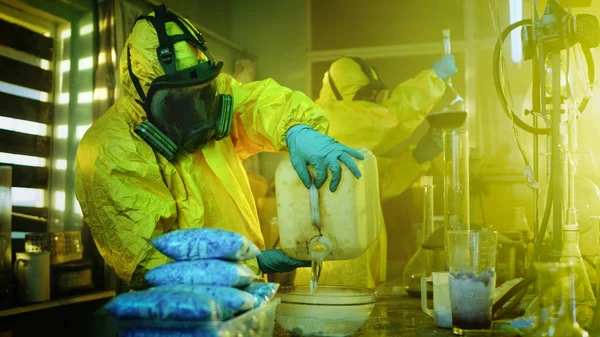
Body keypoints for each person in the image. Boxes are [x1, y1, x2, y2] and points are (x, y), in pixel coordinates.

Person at [74, 5, 363, 289]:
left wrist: (297, 128)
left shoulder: (210, 96)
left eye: (203, 92)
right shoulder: (109, 148)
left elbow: (258, 103)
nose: (197, 112)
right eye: (178, 100)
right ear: (143, 94)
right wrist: (251, 263)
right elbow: (150, 261)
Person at [294, 55, 457, 288]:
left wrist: (416, 157)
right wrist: (432, 80)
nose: (370, 103)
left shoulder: (351, 142)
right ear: (339, 93)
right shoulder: (325, 121)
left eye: (372, 95)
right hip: (330, 266)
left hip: (359, 263)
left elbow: (379, 184)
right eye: (362, 95)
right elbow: (391, 118)